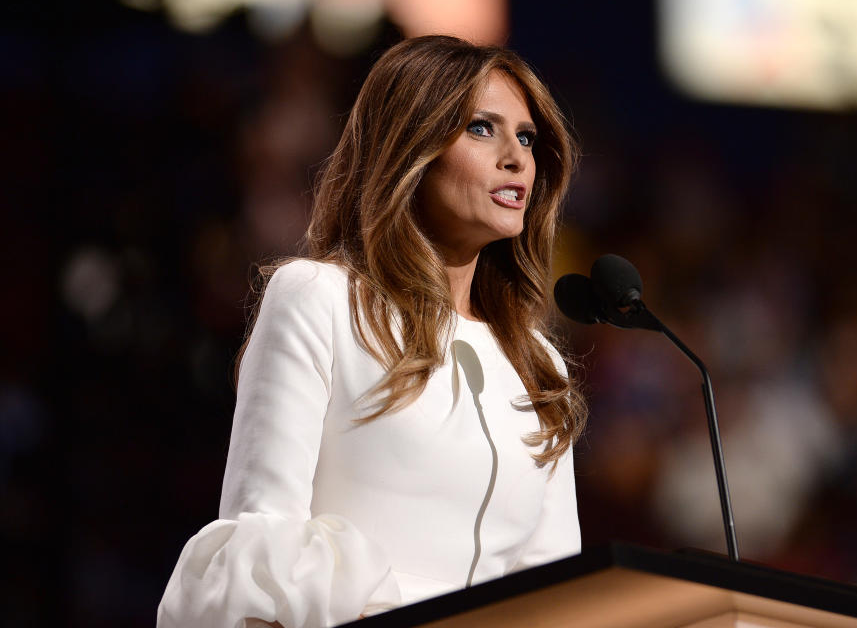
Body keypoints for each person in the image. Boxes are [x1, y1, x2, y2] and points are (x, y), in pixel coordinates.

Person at [157, 35, 587, 628]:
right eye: (482, 129)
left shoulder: (540, 365)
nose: (517, 157)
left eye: (527, 137)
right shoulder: (320, 300)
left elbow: (558, 595)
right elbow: (264, 540)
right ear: (412, 144)